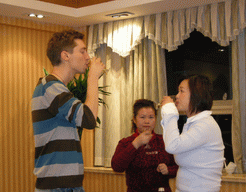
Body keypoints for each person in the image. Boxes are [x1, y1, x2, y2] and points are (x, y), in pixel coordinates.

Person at [31, 30, 105, 192]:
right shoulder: (50, 87)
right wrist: (92, 78)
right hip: (58, 187)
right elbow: (89, 119)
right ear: (66, 56)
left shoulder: (56, 89)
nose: (88, 57)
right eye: (82, 51)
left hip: (66, 186)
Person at [160, 75, 225, 192]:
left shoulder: (205, 125)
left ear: (195, 95)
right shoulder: (193, 123)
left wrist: (170, 110)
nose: (177, 96)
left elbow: (172, 146)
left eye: (181, 91)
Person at [111, 99, 178, 192]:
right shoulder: (126, 142)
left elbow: (179, 167)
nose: (147, 121)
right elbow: (117, 167)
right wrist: (135, 144)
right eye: (142, 117)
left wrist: (168, 170)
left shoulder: (164, 141)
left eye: (151, 117)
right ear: (134, 119)